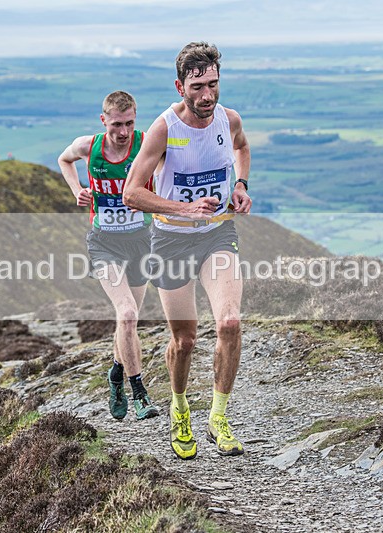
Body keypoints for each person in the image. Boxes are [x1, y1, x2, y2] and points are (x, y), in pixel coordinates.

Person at [123, 42, 252, 459]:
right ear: (180, 86)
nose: (207, 95)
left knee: (230, 324)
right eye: (197, 87)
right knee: (185, 340)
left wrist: (240, 186)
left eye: (213, 84)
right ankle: (180, 409)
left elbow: (242, 148)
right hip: (172, 239)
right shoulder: (163, 129)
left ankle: (218, 416)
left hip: (217, 233)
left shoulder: (228, 119)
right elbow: (132, 194)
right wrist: (185, 208)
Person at [58, 90, 159, 421]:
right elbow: (64, 159)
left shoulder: (146, 144)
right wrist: (78, 192)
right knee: (127, 313)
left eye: (130, 123)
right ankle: (139, 393)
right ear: (104, 121)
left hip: (141, 241)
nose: (124, 132)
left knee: (127, 323)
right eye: (117, 124)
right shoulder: (90, 146)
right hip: (104, 243)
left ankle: (116, 372)